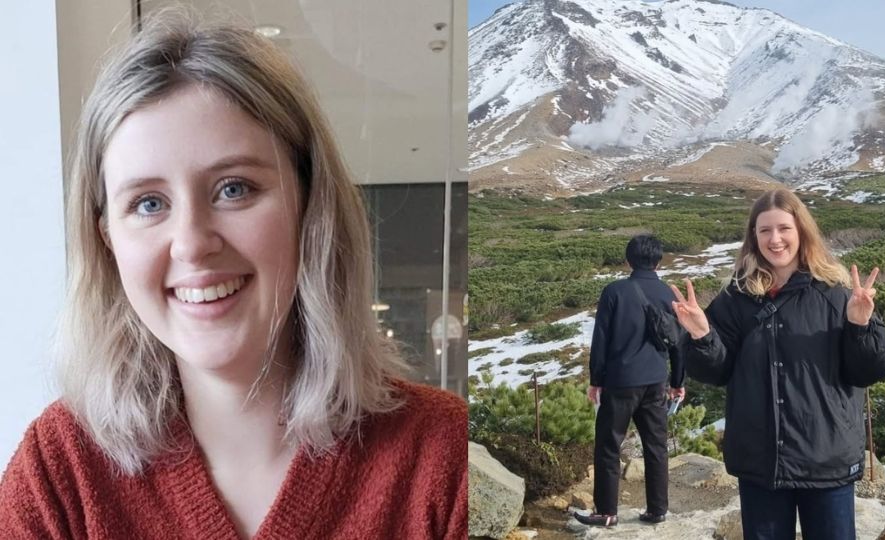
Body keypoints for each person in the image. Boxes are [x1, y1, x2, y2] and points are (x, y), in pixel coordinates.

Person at [0, 12, 466, 540]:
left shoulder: (444, 460)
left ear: (310, 204)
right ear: (106, 237)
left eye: (234, 188)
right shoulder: (59, 476)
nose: (193, 243)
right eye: (148, 202)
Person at [670, 188, 885, 540]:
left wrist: (859, 326)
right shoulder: (736, 297)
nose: (775, 240)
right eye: (765, 231)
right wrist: (702, 336)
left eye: (783, 229)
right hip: (762, 464)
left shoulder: (836, 292)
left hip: (826, 460)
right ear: (753, 237)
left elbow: (871, 370)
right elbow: (717, 372)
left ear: (802, 231)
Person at [576, 234, 685, 527]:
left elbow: (601, 341)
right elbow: (677, 343)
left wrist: (596, 380)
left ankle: (607, 512)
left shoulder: (614, 292)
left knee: (609, 445)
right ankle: (657, 510)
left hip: (620, 381)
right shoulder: (669, 295)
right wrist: (677, 381)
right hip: (656, 381)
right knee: (656, 446)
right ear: (658, 260)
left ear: (628, 260)